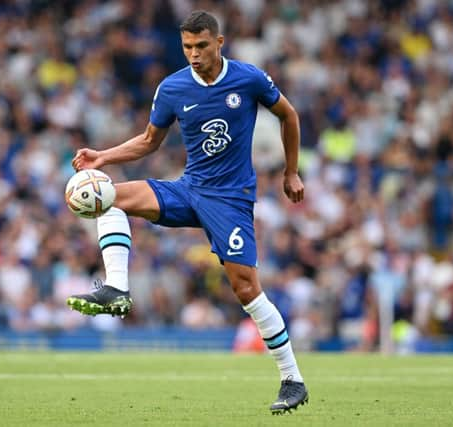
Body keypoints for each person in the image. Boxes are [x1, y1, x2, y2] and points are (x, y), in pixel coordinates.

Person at [68, 10, 308, 415]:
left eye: (200, 46)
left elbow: (289, 115)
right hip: (189, 188)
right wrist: (102, 157)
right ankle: (117, 287)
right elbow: (148, 141)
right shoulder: (173, 88)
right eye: (186, 48)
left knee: (246, 289)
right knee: (106, 195)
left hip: (230, 199)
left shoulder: (248, 78)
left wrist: (291, 171)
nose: (193, 55)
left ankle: (293, 379)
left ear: (219, 42)